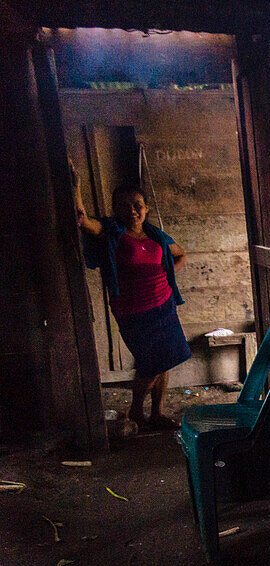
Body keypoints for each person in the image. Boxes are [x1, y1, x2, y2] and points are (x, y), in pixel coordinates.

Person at [73, 166, 190, 432]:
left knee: (166, 358)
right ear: (116, 210)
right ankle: (137, 410)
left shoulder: (156, 236)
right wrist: (76, 188)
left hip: (164, 305)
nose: (132, 211)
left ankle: (157, 412)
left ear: (146, 208)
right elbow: (82, 220)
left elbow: (180, 255)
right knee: (151, 362)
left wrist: (169, 277)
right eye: (124, 206)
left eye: (137, 205)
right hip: (133, 311)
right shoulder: (111, 233)